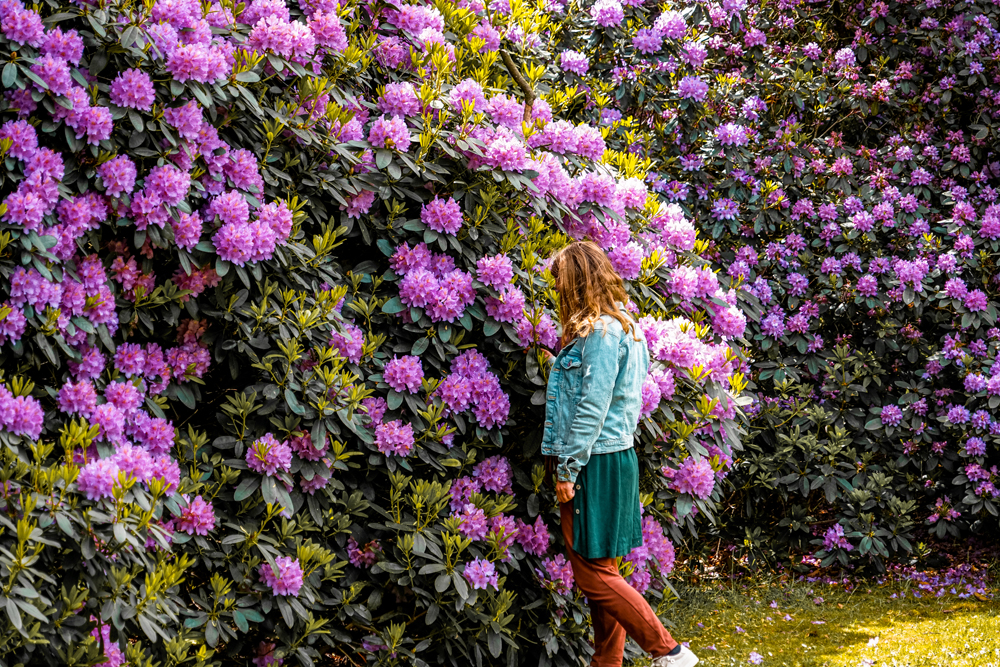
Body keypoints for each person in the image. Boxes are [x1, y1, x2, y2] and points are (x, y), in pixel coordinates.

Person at [541, 241, 698, 667]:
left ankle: (668, 650)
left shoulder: (602, 334)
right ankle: (606, 663)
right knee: (604, 569)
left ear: (576, 283)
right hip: (613, 457)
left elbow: (593, 405)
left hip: (595, 460)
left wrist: (568, 469)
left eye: (561, 282)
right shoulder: (625, 326)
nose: (558, 290)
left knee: (590, 574)